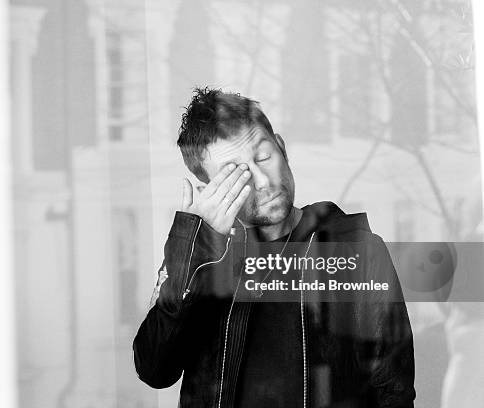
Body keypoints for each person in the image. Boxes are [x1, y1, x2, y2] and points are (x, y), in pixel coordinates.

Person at [133, 87, 415, 407]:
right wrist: (192, 251)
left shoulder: (357, 251)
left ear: (281, 147)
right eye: (236, 174)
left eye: (265, 157)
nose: (263, 181)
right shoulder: (198, 263)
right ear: (209, 189)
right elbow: (154, 369)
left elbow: (394, 391)